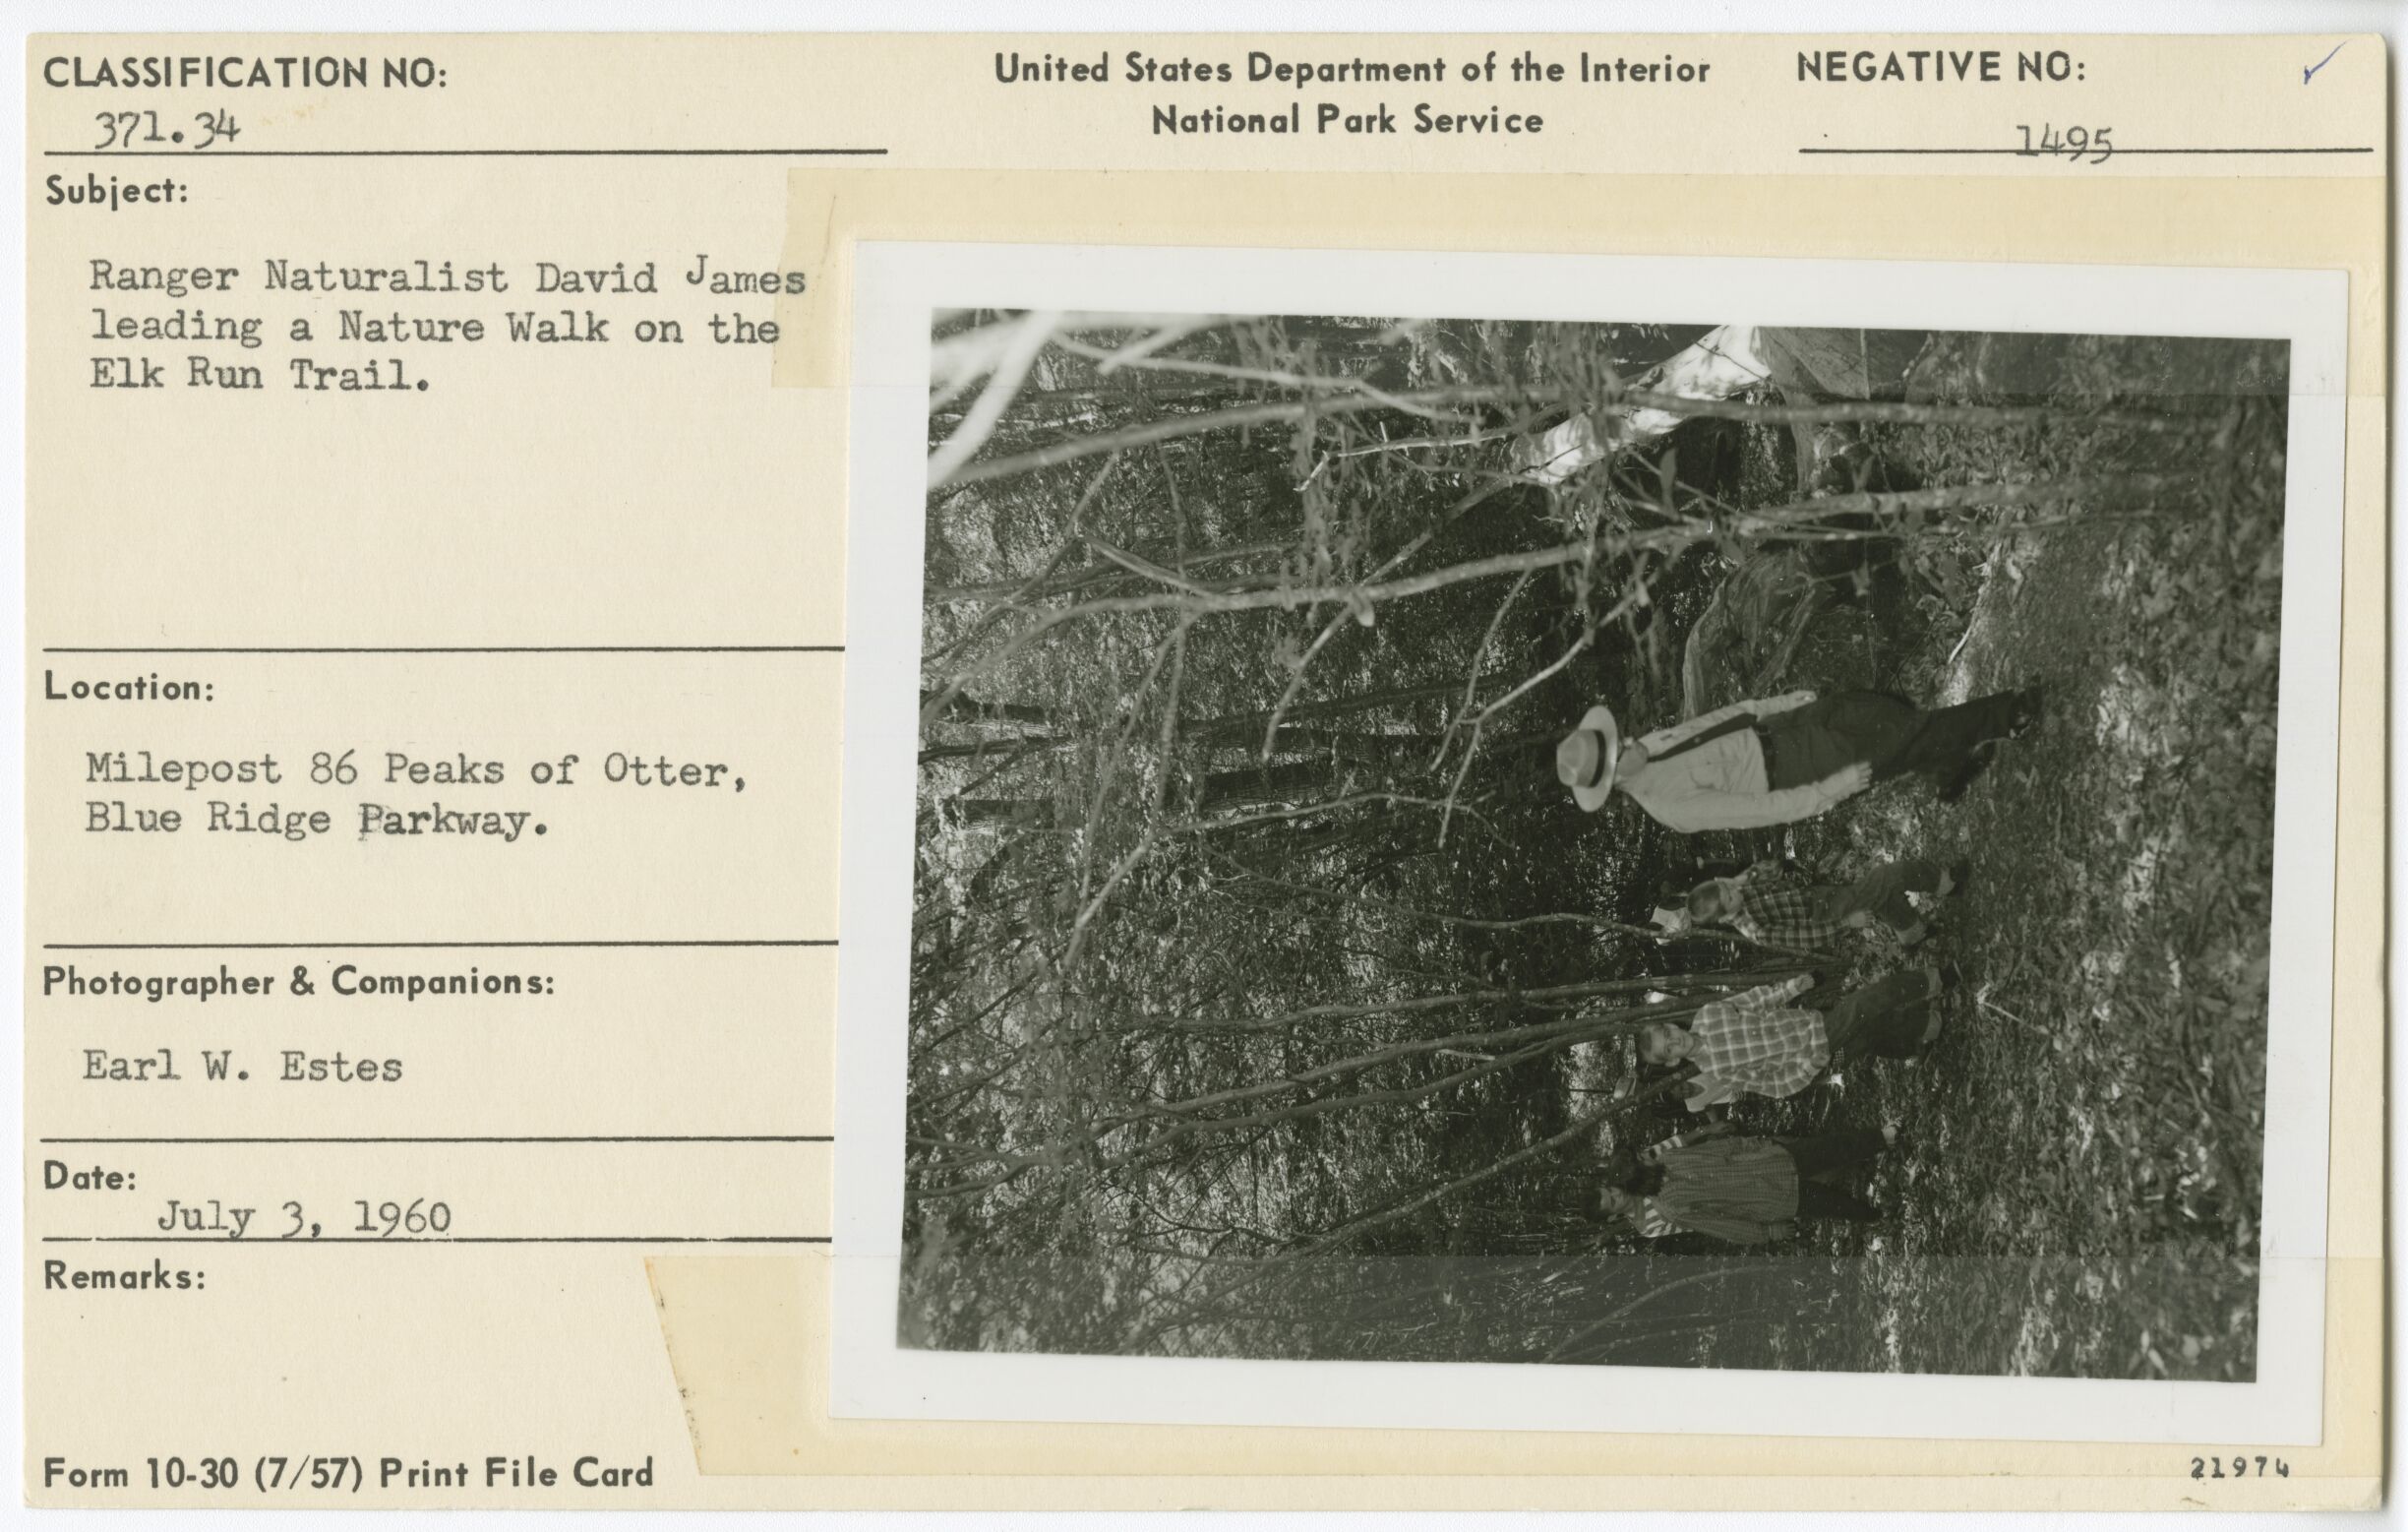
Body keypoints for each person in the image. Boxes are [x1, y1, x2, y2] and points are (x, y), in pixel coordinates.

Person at [1555, 686, 2041, 832]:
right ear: (1617, 777)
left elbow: (1721, 721)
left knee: (1883, 708)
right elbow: (1763, 811)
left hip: (1785, 727)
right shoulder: (1672, 809)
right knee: (1910, 733)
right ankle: (2010, 714)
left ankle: (1947, 769)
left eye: (1622, 735)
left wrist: (1782, 705)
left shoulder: (1650, 746)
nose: (1633, 738)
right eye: (1623, 747)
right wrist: (1834, 789)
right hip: (1800, 768)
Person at [1639, 966, 1950, 1111]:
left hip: (1812, 1023)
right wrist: (1808, 1068)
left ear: (1671, 1025)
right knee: (1862, 1005)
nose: (1674, 1041)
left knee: (1867, 1035)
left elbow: (1758, 1000)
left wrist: (1795, 987)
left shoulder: (1708, 1014)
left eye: (1668, 1033)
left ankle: (1925, 1031)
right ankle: (1936, 980)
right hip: (1813, 1054)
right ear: (1674, 1059)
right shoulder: (1718, 1071)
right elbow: (1773, 1086)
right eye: (1668, 1049)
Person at [1597, 1129, 1894, 1245]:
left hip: (1774, 1162)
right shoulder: (1670, 1209)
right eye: (1640, 1159)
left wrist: (1756, 1144)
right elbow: (1723, 1226)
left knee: (1832, 1146)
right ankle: (1879, 1217)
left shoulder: (1669, 1157)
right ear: (1637, 1175)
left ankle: (1884, 1137)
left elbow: (1721, 1148)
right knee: (1835, 1205)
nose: (1647, 1154)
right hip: (1772, 1199)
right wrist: (1768, 1232)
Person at [1688, 856, 1968, 950]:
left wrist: (1742, 877)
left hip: (1815, 895)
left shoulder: (1739, 888)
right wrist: (1846, 922)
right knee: (1887, 877)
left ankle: (1910, 932)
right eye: (1728, 897)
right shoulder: (1755, 930)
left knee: (1877, 895)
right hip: (1825, 915)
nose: (1733, 891)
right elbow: (1804, 937)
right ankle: (1943, 882)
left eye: (1725, 886)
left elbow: (1773, 871)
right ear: (1725, 917)